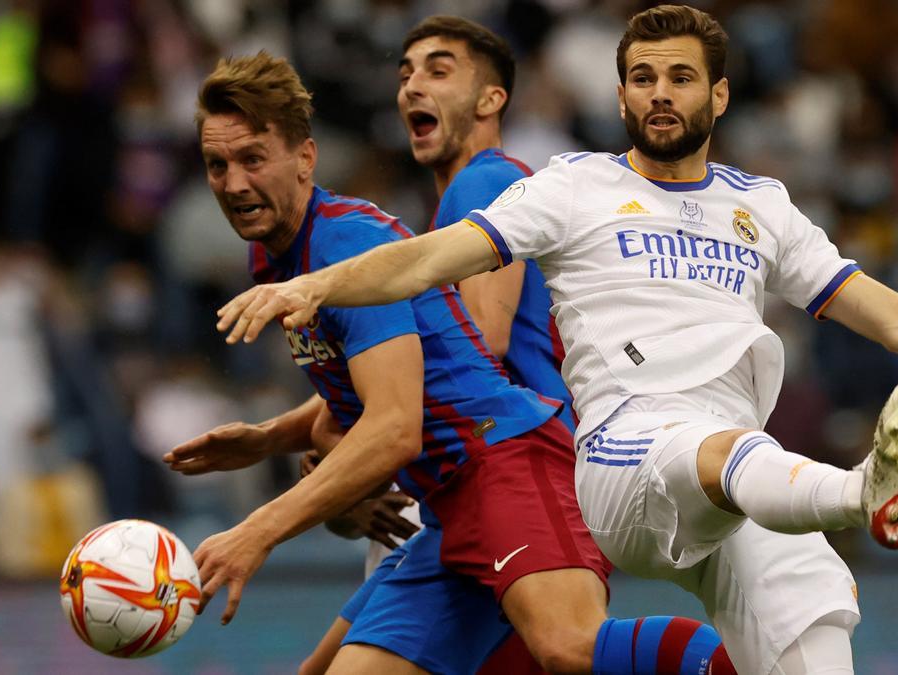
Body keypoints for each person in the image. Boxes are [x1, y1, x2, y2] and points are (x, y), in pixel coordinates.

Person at [214, 6, 898, 674]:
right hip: (622, 454)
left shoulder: (761, 207)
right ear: (620, 94)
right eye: (644, 77)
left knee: (807, 606)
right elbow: (424, 265)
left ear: (719, 92)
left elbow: (894, 316)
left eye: (681, 76)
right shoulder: (568, 187)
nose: (661, 93)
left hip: (740, 488)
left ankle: (833, 520)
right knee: (701, 462)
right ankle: (863, 490)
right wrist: (313, 284)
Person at [167, 51, 737, 675]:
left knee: (568, 646)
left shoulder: (343, 241)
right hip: (447, 503)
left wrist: (258, 531)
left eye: (253, 159)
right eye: (217, 165)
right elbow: (388, 372)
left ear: (305, 158)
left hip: (506, 461)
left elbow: (394, 427)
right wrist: (269, 437)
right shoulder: (274, 258)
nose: (234, 183)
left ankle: (755, 662)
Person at [298, 16, 576, 675]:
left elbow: (480, 343)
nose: (412, 86)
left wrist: (355, 443)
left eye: (437, 69)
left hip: (494, 472)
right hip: (477, 478)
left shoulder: (486, 185)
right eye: (405, 74)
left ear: (491, 99)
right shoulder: (453, 208)